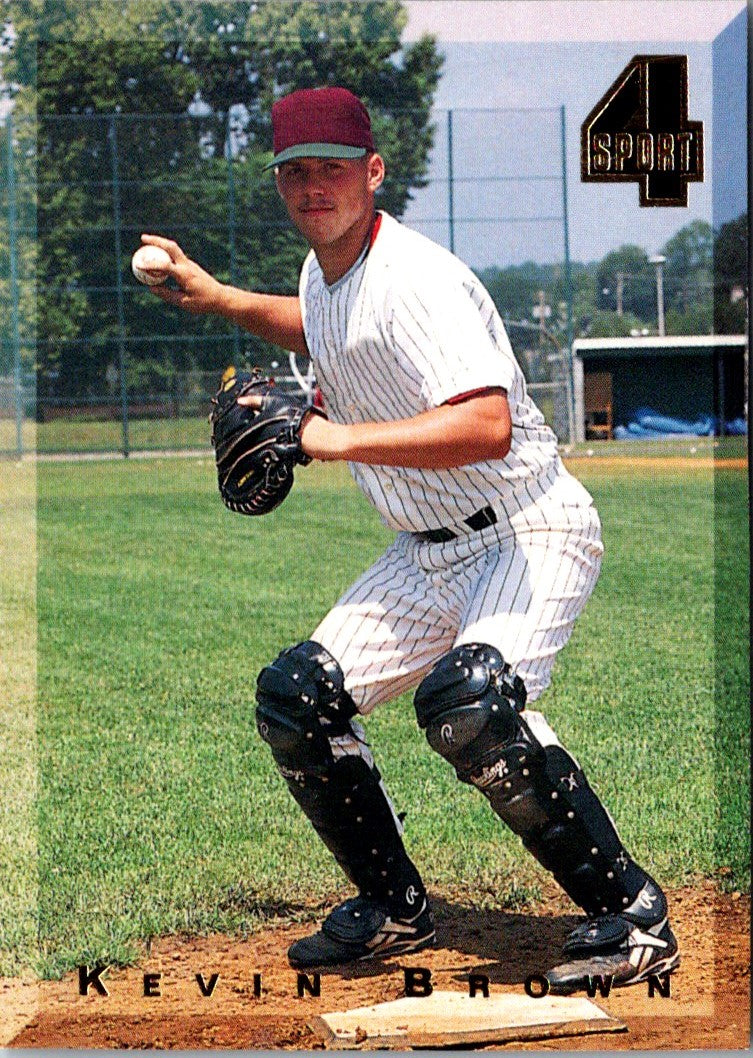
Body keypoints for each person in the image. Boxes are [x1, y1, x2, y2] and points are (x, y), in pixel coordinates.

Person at [142, 86, 679, 992]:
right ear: (281, 183)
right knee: (296, 697)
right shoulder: (331, 267)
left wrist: (329, 437)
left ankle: (629, 913)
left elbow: (486, 427)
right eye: (296, 173)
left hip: (523, 529)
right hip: (424, 550)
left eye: (333, 170)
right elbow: (327, 328)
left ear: (373, 173)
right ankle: (392, 907)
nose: (315, 188)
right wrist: (220, 298)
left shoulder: (417, 279)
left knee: (471, 704)